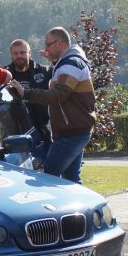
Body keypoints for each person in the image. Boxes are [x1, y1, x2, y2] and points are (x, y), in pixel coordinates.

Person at [12, 27, 95, 184]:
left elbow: (57, 95)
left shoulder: (71, 64)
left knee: (48, 178)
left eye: (48, 44)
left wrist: (25, 93)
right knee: (71, 180)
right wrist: (54, 62)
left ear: (61, 43)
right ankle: (82, 209)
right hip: (75, 130)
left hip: (71, 134)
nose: (46, 49)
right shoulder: (67, 63)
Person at [0, 39, 52, 143]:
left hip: (41, 128)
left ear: (29, 53)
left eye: (22, 52)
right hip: (13, 131)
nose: (19, 56)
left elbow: (59, 88)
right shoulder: (4, 73)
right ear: (11, 55)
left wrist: (54, 60)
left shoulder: (44, 71)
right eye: (15, 53)